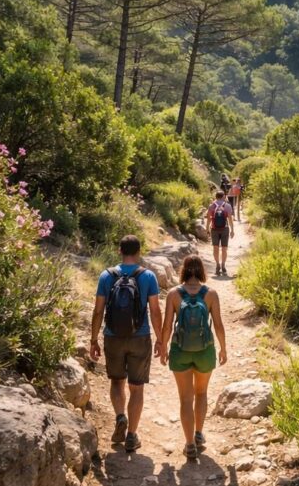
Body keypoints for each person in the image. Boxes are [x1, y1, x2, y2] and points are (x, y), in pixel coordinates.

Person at [90, 235, 162, 452]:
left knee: (116, 382)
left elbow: (98, 310)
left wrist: (93, 339)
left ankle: (120, 416)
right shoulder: (148, 276)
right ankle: (131, 435)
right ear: (139, 251)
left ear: (119, 250)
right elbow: (156, 311)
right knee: (137, 388)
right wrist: (160, 339)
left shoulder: (106, 275)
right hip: (140, 337)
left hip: (113, 337)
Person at [158, 255, 228, 459]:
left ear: (184, 270)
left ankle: (189, 444)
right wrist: (223, 349)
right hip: (205, 351)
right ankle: (198, 434)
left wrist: (163, 348)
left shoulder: (173, 294)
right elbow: (218, 325)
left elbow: (167, 326)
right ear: (201, 271)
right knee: (202, 393)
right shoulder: (211, 294)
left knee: (185, 399)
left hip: (180, 351)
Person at [206, 191, 235, 276]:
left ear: (216, 197)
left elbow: (209, 219)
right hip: (225, 229)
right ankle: (223, 266)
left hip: (214, 229)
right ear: (223, 197)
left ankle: (217, 265)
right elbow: (230, 219)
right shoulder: (228, 206)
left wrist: (207, 229)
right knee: (224, 248)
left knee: (215, 248)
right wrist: (232, 230)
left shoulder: (211, 206)